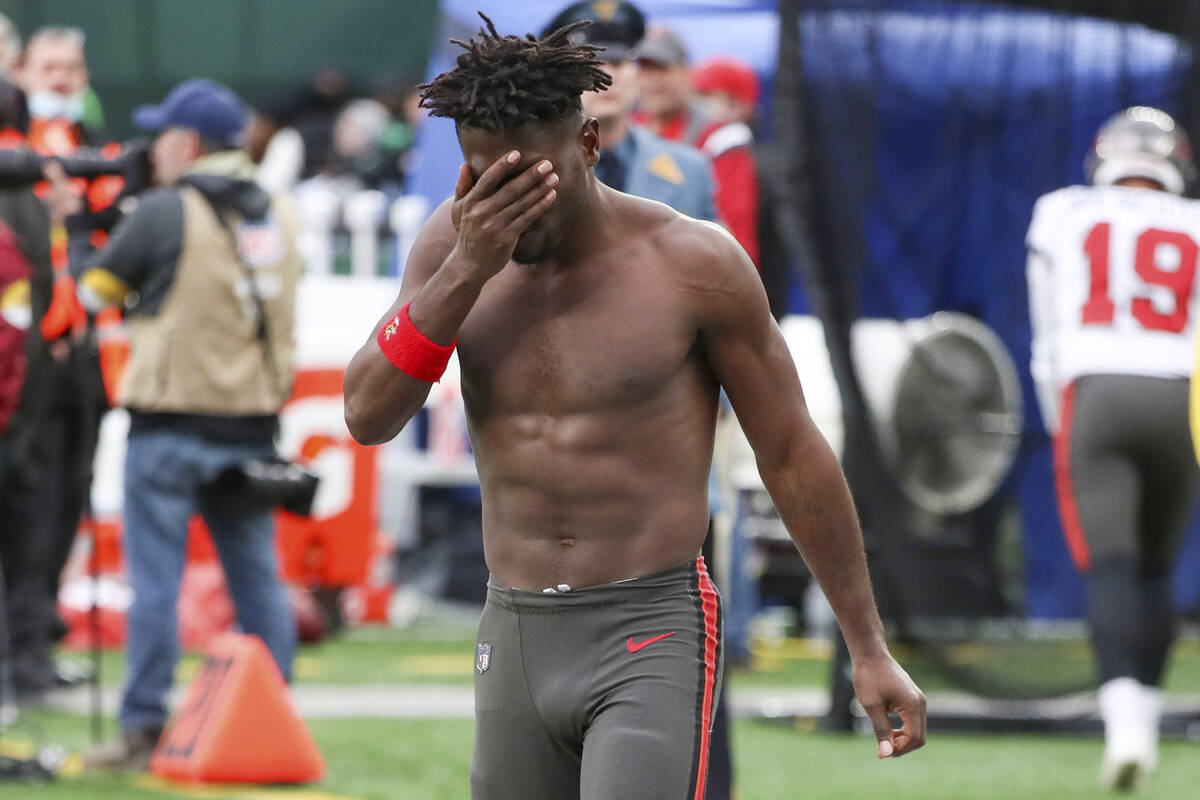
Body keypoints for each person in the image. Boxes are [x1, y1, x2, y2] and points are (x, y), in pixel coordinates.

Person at [343, 15, 926, 800]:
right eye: (486, 179)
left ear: (587, 145)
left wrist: (868, 644)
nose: (509, 205)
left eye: (531, 179)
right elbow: (367, 416)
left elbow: (791, 452)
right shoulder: (451, 250)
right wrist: (465, 271)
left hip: (648, 625)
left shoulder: (693, 263)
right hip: (513, 628)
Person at [79, 79, 301, 770]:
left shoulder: (165, 210)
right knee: (257, 581)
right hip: (252, 429)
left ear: (187, 143)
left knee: (156, 585)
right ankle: (273, 716)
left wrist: (98, 218)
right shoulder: (283, 215)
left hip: (170, 426)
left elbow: (92, 292)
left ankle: (143, 724)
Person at [1026, 105, 1200, 791]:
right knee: (1157, 567)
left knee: (1113, 564)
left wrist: (1057, 413)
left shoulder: (1062, 209)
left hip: (1096, 390)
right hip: (1182, 395)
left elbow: (1046, 332)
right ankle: (1146, 726)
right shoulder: (1193, 221)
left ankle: (1126, 729)